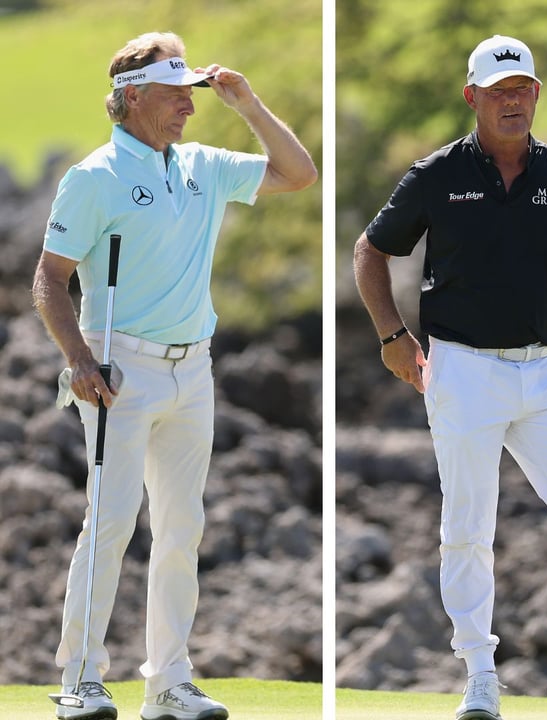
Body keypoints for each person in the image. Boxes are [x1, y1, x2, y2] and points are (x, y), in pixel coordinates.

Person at [352, 34, 547, 720]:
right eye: (498, 92)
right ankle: (479, 676)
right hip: (461, 369)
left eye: (521, 88)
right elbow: (370, 252)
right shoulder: (436, 175)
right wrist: (392, 336)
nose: (512, 101)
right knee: (467, 527)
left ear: (536, 93)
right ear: (472, 98)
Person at [32, 31, 316, 720]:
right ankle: (81, 680)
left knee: (182, 528)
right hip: (117, 371)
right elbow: (50, 277)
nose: (188, 108)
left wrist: (246, 103)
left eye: (190, 95)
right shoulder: (94, 176)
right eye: (173, 96)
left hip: (195, 369)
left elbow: (297, 172)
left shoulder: (201, 166)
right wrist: (78, 360)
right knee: (110, 524)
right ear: (131, 100)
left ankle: (168, 682)